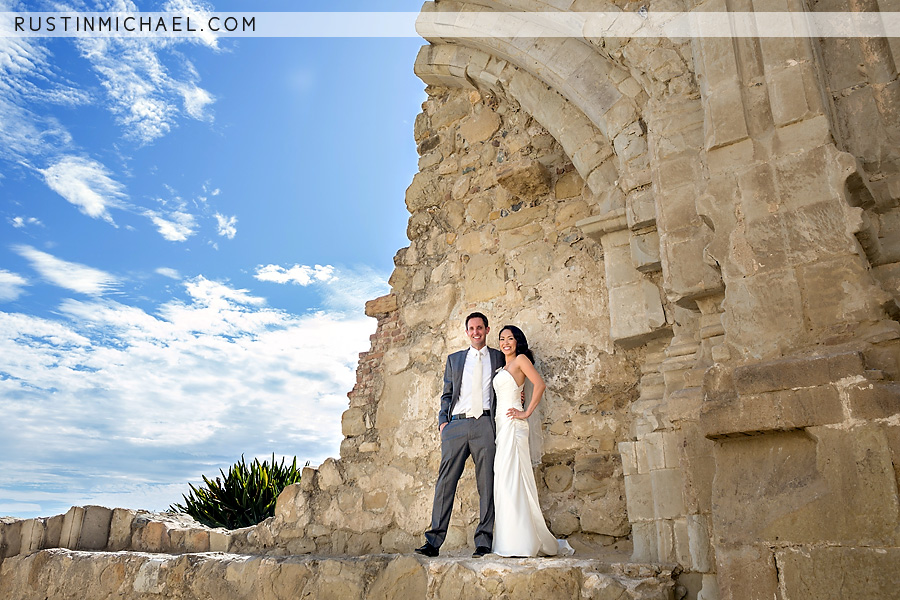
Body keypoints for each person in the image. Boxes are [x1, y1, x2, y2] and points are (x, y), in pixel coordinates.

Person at [415, 312, 505, 558]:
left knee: (487, 483)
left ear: (487, 330)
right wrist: (443, 422)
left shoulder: (498, 357)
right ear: (467, 332)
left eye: (480, 328)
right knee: (445, 483)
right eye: (471, 328)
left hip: (485, 424)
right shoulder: (454, 359)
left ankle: (483, 541)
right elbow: (447, 393)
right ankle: (433, 542)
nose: (476, 332)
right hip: (456, 426)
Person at [492, 325, 564, 557]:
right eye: (502, 339)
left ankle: (521, 542)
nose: (505, 342)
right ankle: (509, 540)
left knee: (514, 478)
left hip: (514, 426)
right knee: (504, 479)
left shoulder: (521, 359)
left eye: (510, 338)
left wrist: (526, 412)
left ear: (517, 341)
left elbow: (540, 385)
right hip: (501, 426)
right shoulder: (503, 367)